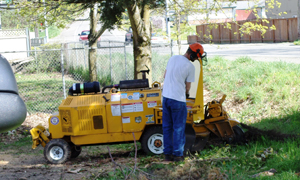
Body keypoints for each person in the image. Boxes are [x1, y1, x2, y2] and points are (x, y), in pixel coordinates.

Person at [162, 42, 206, 162]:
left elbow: (165, 75)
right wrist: (185, 95)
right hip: (178, 100)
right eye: (197, 57)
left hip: (165, 98)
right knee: (178, 128)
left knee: (167, 127)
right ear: (193, 54)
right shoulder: (190, 67)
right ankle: (178, 155)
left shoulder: (173, 58)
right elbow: (187, 88)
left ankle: (167, 154)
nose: (196, 59)